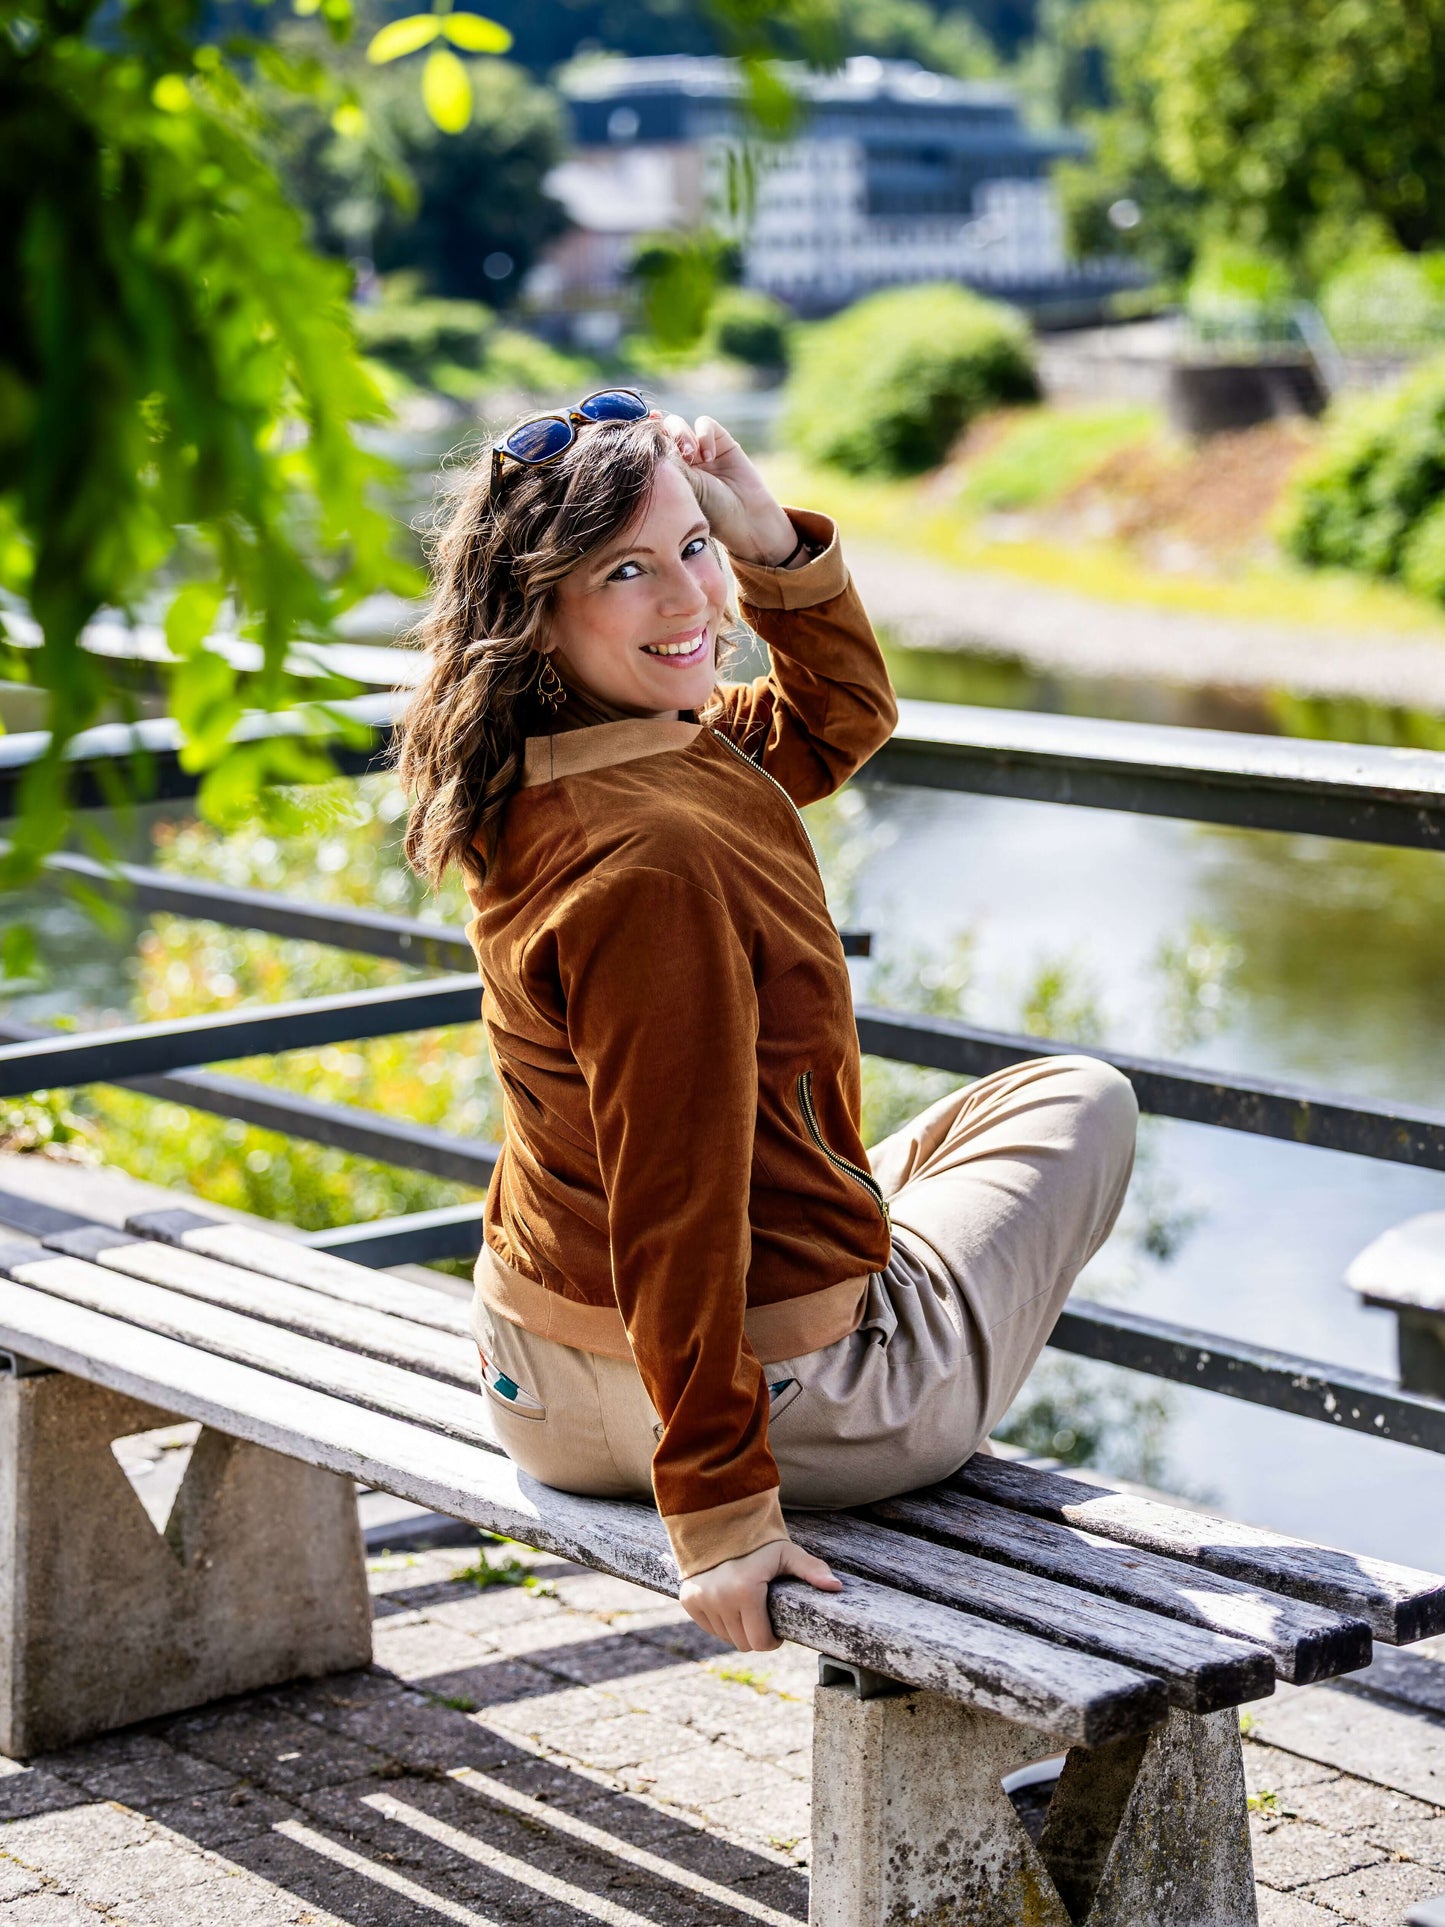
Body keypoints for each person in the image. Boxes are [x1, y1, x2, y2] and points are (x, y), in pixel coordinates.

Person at [394, 390, 1138, 1655]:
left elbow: (830, 720)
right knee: (1080, 1101)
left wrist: (765, 538)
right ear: (538, 610)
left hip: (537, 1373)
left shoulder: (542, 762)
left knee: (928, 1143)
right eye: (626, 570)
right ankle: (809, 1383)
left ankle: (822, 1297)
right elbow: (670, 1199)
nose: (691, 601)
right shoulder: (657, 857)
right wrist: (723, 1512)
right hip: (772, 1415)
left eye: (692, 547)